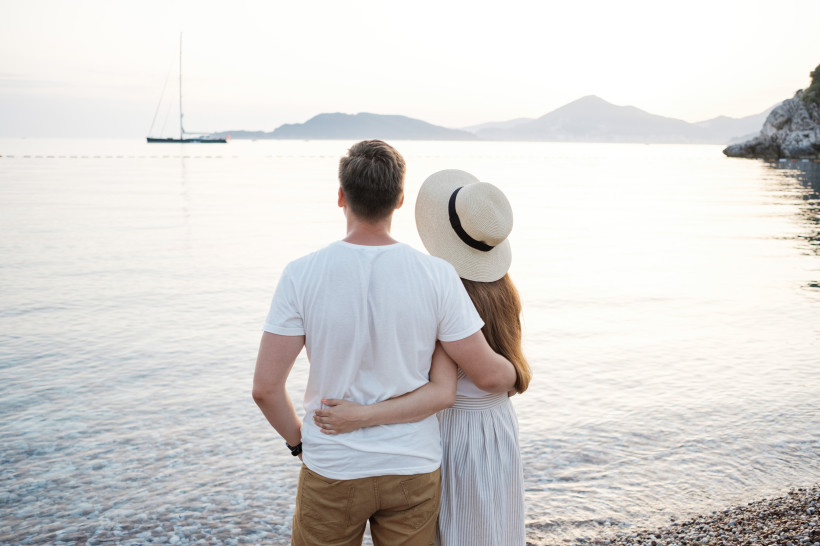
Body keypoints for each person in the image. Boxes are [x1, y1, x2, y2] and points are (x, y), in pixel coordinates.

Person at [252, 143, 517, 546]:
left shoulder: (300, 274)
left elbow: (266, 390)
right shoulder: (438, 276)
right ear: (399, 200)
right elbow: (447, 390)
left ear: (341, 196)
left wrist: (300, 444)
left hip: (334, 467)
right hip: (412, 468)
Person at [313, 169, 532, 546]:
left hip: (458, 431)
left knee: (459, 531)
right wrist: (520, 374)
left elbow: (480, 377)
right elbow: (501, 377)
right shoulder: (502, 290)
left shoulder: (448, 289)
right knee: (491, 528)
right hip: (495, 427)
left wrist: (359, 415)